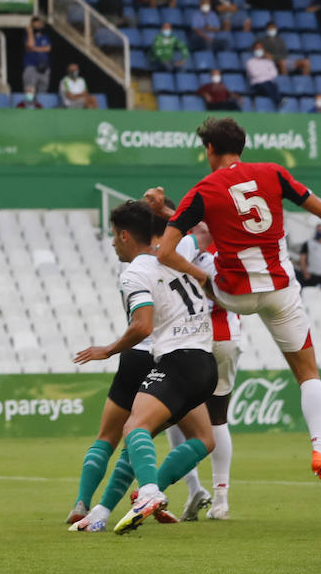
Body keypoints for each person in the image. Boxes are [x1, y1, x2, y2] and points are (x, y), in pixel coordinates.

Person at [148, 117, 321, 497]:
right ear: (243, 146)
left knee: (202, 262)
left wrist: (202, 278)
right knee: (308, 373)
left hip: (232, 294)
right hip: (280, 289)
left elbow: (167, 252)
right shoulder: (273, 173)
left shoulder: (203, 189)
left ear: (210, 150)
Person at [68, 201, 217, 532]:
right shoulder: (181, 247)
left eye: (112, 237)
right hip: (206, 362)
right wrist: (165, 211)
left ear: (124, 236)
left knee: (130, 431)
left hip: (172, 359)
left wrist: (107, 350)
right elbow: (203, 231)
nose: (111, 244)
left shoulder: (134, 271)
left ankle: (148, 492)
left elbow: (143, 325)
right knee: (192, 438)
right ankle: (102, 512)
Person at [298, 225, 321, 300]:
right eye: (318, 230)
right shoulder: (309, 243)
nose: (320, 232)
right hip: (314, 276)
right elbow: (302, 258)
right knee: (313, 298)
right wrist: (305, 273)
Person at [21, 17, 52, 94]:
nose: (37, 27)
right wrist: (30, 33)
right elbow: (30, 45)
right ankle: (29, 106)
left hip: (44, 68)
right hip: (31, 66)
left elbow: (48, 49)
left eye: (38, 25)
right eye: (35, 26)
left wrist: (34, 48)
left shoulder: (45, 37)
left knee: (43, 90)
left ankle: (42, 105)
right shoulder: (28, 36)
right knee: (29, 90)